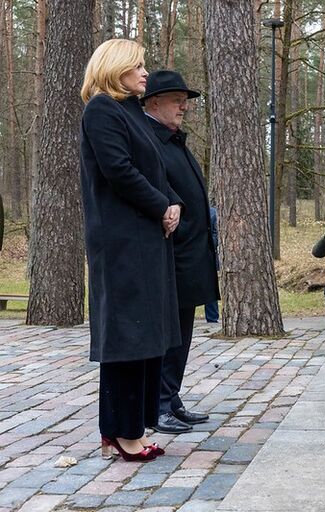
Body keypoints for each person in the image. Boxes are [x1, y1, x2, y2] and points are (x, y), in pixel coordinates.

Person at [80, 39, 182, 462]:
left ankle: (125, 429)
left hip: (144, 238)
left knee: (145, 335)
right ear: (114, 67)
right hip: (123, 242)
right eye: (137, 66)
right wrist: (161, 205)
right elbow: (118, 169)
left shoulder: (130, 112)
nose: (145, 73)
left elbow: (151, 168)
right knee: (128, 337)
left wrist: (173, 201)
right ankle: (124, 432)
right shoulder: (102, 109)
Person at [142, 70, 219, 434]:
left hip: (191, 253)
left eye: (185, 99)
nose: (183, 106)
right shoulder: (150, 141)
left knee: (183, 331)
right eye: (176, 99)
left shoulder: (173, 140)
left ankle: (171, 398)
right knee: (168, 333)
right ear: (153, 103)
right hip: (171, 254)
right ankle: (157, 405)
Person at [204, 206, 220, 323]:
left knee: (209, 286)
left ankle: (212, 318)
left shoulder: (212, 213)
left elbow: (216, 236)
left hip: (207, 255)